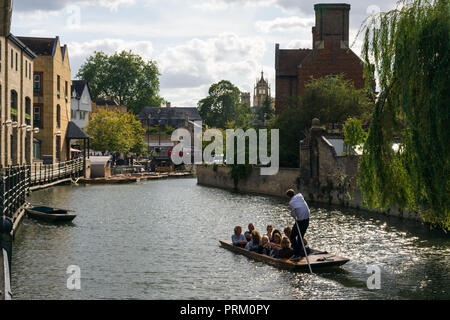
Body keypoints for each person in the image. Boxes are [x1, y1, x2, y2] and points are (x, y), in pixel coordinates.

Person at [286, 189, 310, 257]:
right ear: (294, 193)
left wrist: (293, 215)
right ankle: (298, 252)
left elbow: (293, 214)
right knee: (300, 237)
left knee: (292, 236)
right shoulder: (300, 196)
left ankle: (296, 252)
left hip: (300, 221)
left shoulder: (291, 202)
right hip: (307, 220)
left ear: (288, 196)